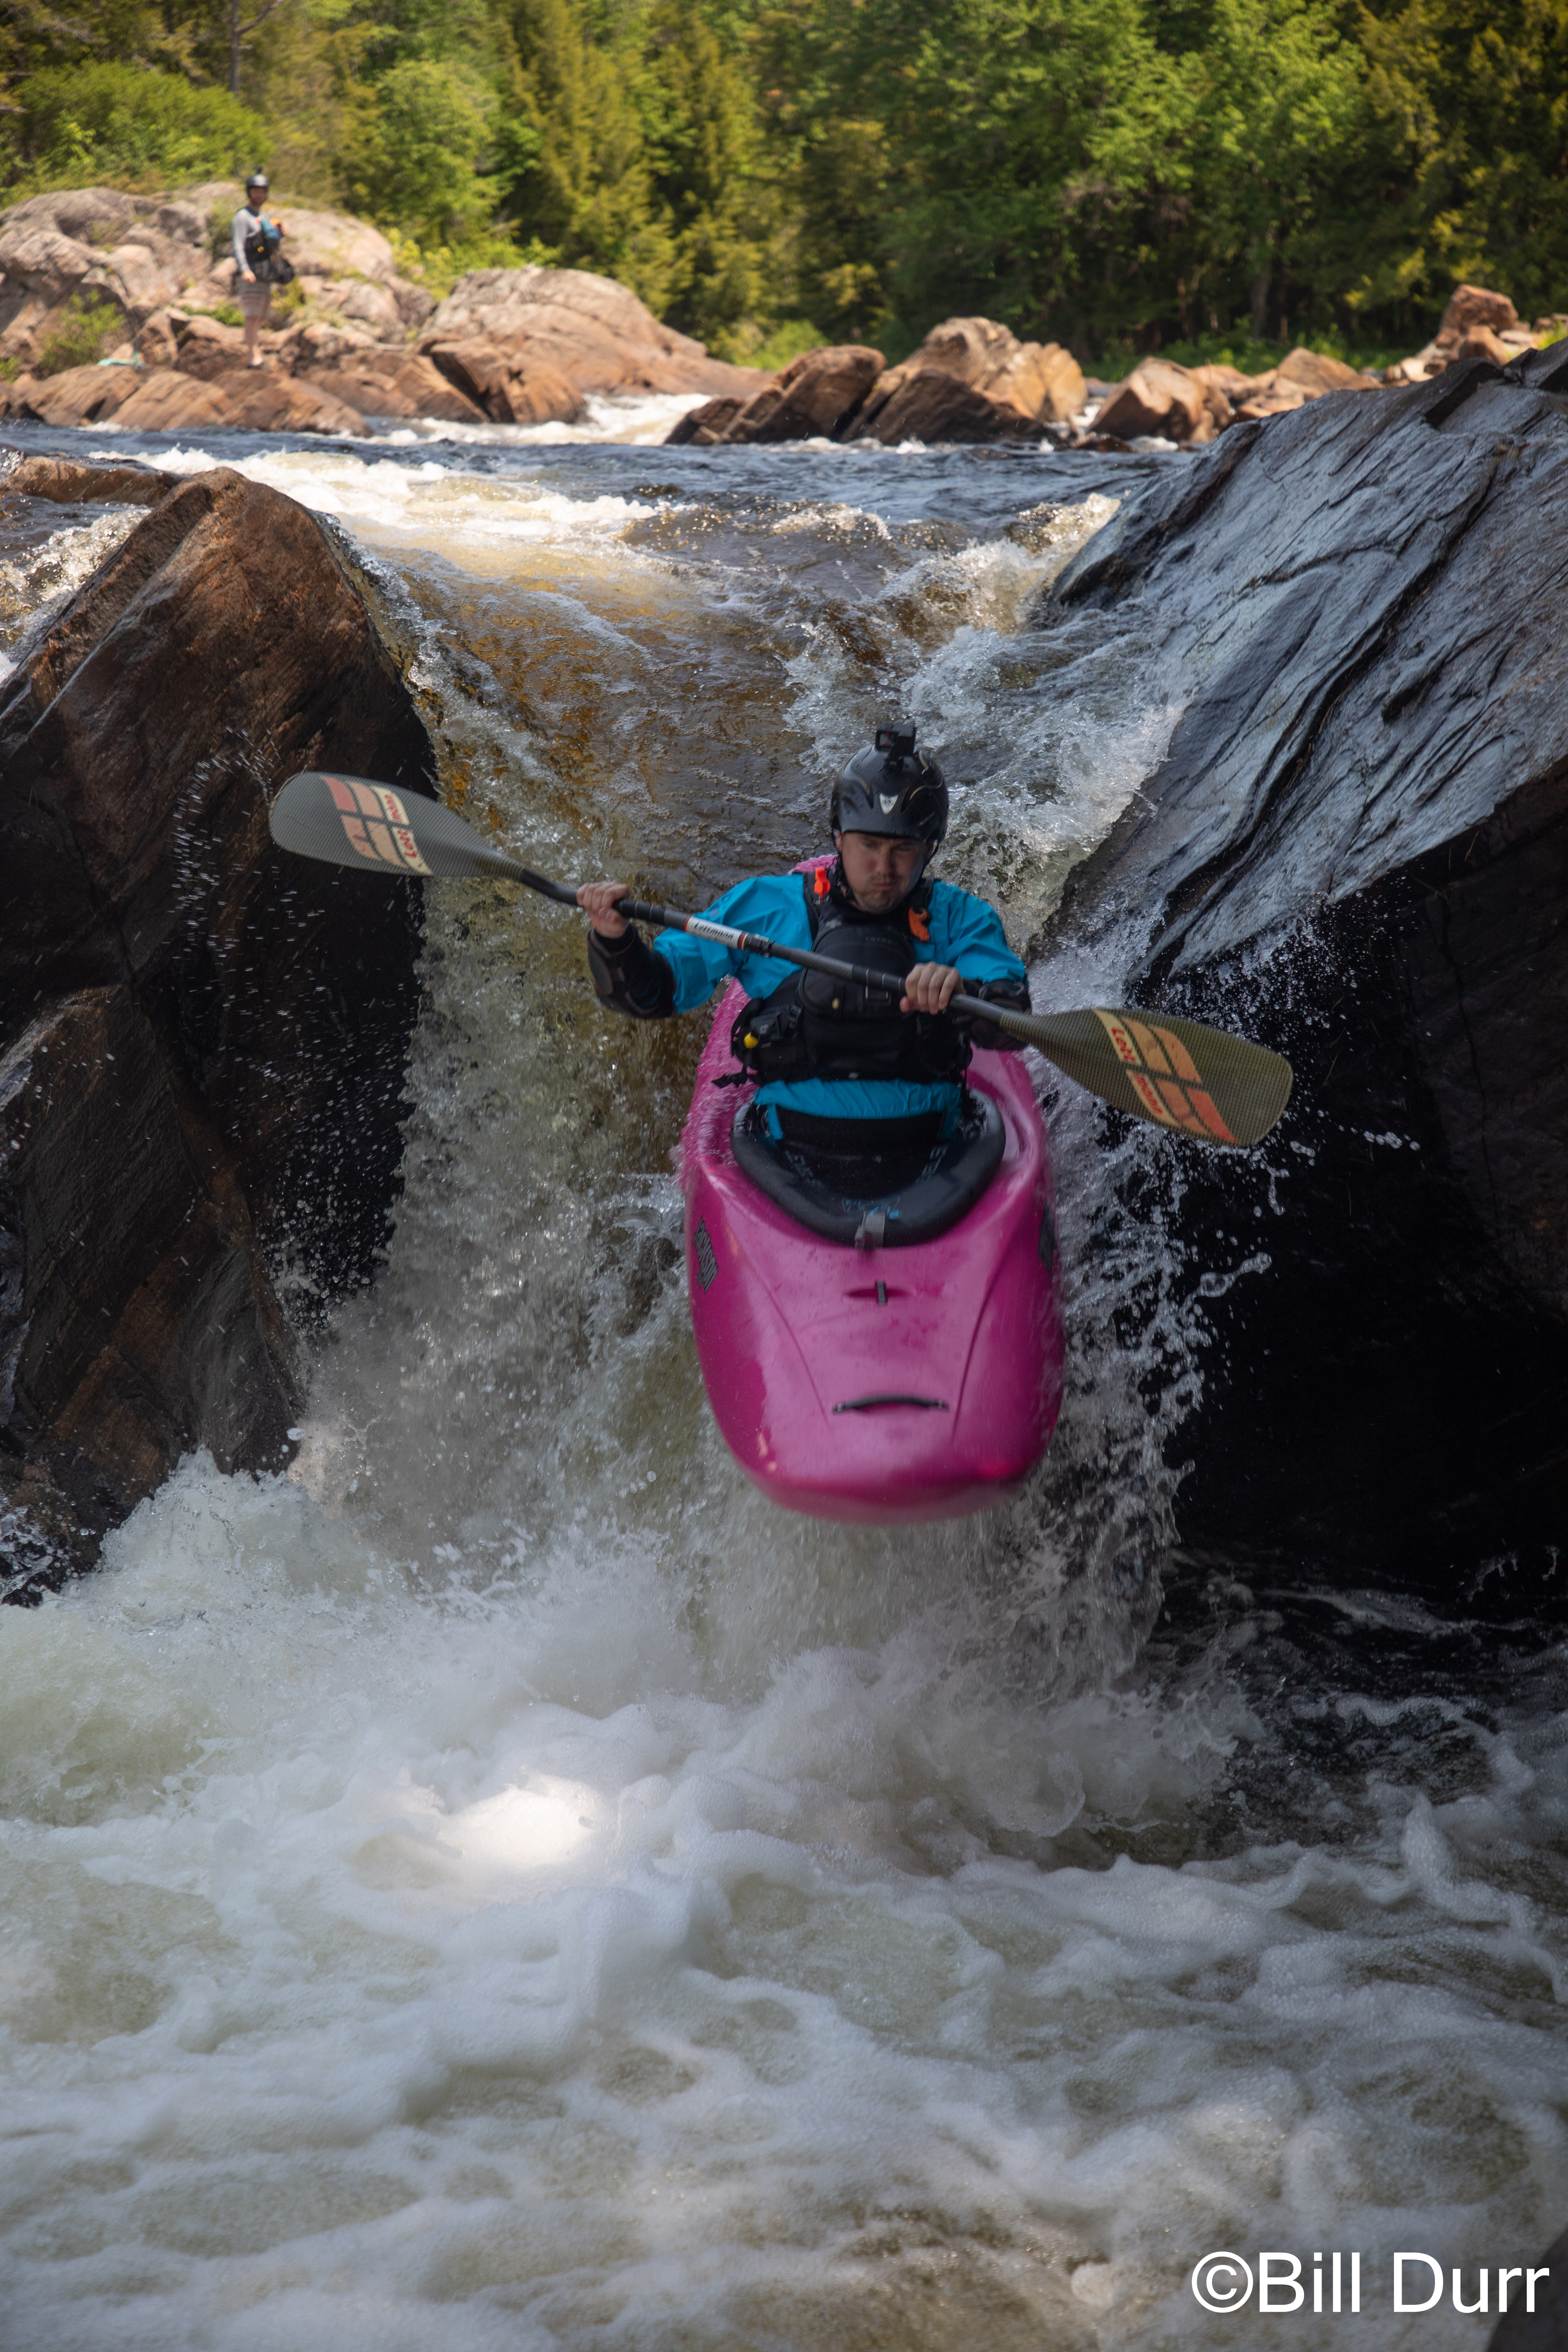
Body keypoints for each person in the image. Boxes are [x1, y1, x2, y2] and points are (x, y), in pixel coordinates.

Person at [577, 724, 1031, 1160]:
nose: (884, 868)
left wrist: (964, 994)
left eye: (903, 849)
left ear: (929, 848)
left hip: (932, 1147)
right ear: (839, 837)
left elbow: (1012, 1021)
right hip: (785, 1152)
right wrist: (616, 940)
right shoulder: (764, 908)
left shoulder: (961, 918)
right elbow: (654, 994)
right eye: (868, 845)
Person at [232, 172, 287, 369]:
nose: (260, 195)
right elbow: (238, 245)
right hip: (252, 273)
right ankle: (253, 358)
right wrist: (244, 269)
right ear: (249, 193)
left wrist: (280, 232)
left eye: (262, 192)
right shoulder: (243, 216)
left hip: (265, 274)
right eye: (256, 191)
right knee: (252, 315)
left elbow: (270, 243)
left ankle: (256, 354)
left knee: (261, 315)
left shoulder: (263, 217)